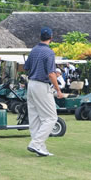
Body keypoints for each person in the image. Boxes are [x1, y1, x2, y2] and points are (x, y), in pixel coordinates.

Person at [24, 27, 66, 157]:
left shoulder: (34, 50)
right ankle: (36, 144)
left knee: (35, 118)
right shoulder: (49, 52)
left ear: (40, 37)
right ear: (51, 38)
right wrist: (58, 90)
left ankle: (40, 148)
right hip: (42, 85)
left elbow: (26, 67)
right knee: (51, 118)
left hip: (31, 84)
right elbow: (51, 74)